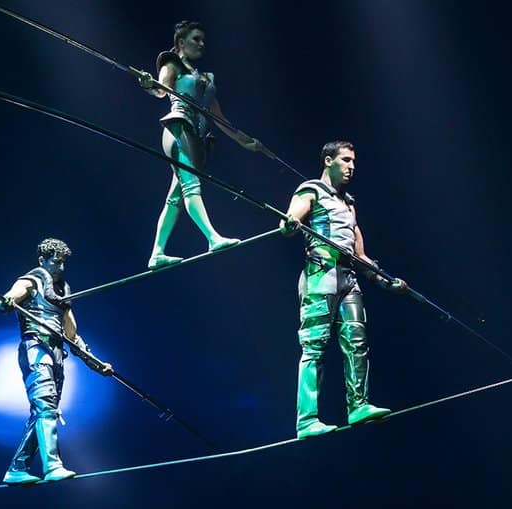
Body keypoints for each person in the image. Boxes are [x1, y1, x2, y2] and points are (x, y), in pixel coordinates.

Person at [280, 141, 407, 439]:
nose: (352, 167)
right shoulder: (310, 189)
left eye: (354, 162)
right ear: (328, 161)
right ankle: (307, 420)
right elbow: (291, 218)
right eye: (346, 160)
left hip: (349, 278)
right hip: (320, 275)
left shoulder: (349, 204)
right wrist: (289, 224)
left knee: (357, 343)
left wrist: (385, 280)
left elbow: (361, 255)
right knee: (314, 346)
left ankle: (358, 406)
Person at [138, 20, 267, 269]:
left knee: (175, 197)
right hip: (178, 129)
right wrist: (148, 85)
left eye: (202, 40)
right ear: (181, 42)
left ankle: (157, 252)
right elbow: (160, 90)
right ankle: (212, 237)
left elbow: (219, 118)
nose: (201, 44)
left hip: (196, 137)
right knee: (191, 187)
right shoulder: (171, 64)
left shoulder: (205, 79)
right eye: (196, 39)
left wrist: (246, 142)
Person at [0, 239, 112, 484]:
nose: (60, 267)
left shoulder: (62, 292)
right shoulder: (31, 280)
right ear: (42, 260)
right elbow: (11, 297)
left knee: (44, 412)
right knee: (46, 407)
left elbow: (72, 335)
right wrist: (6, 301)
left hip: (57, 355)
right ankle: (53, 466)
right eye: (55, 262)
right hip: (35, 347)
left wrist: (95, 363)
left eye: (63, 263)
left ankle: (17, 468)